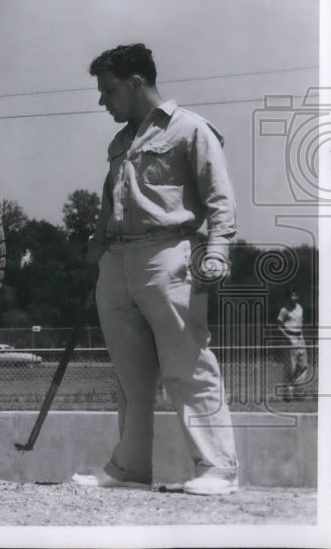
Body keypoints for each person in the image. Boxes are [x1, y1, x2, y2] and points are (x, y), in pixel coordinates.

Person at [71, 43, 240, 496]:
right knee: (130, 376)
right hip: (116, 263)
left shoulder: (190, 129)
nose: (102, 101)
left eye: (108, 91)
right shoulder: (121, 142)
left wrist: (218, 251)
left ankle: (218, 469)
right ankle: (129, 470)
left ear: (135, 83)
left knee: (188, 365)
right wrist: (95, 261)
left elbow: (220, 199)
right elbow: (109, 206)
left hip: (169, 257)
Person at [277, 290, 308, 401]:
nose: (293, 297)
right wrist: (288, 338)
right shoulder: (284, 311)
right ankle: (287, 395)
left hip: (300, 338)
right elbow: (279, 326)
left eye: (295, 295)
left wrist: (301, 337)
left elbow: (300, 322)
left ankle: (299, 392)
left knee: (303, 366)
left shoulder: (300, 308)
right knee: (291, 367)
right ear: (288, 298)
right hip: (290, 339)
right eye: (291, 295)